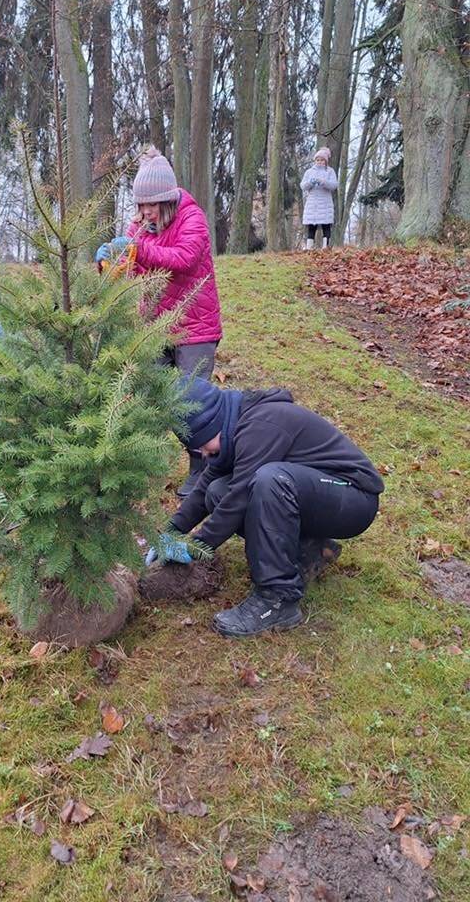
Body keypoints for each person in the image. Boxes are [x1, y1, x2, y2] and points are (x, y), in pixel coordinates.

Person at [145, 377, 384, 638]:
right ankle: (307, 551)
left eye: (202, 444)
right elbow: (206, 488)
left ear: (213, 425)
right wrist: (171, 531)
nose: (202, 453)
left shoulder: (261, 424)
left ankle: (278, 600)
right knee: (218, 491)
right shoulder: (232, 424)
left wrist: (195, 547)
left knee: (270, 481)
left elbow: (239, 499)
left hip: (352, 498)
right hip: (315, 493)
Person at [95, 146, 222, 497]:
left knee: (192, 400)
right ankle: (142, 462)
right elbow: (131, 267)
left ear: (167, 200)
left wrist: (138, 249)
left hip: (196, 327)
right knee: (148, 391)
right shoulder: (140, 227)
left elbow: (184, 258)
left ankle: (203, 469)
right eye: (140, 205)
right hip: (156, 324)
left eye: (151, 205)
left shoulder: (192, 217)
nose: (145, 212)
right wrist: (109, 262)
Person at [301, 147, 338, 249]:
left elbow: (334, 185)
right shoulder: (309, 172)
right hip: (312, 202)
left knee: (326, 225)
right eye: (318, 160)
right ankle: (309, 247)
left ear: (326, 161)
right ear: (315, 160)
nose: (320, 162)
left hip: (325, 202)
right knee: (311, 225)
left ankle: (326, 247)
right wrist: (310, 183)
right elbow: (303, 186)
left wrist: (323, 182)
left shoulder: (330, 171)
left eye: (322, 160)